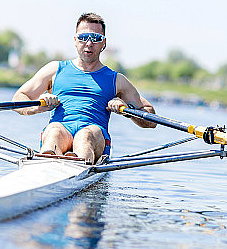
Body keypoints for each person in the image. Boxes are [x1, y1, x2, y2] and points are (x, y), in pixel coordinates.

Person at [13, 12, 156, 164]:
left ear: (104, 43)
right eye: (83, 37)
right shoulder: (54, 70)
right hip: (61, 131)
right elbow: (19, 97)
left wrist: (128, 111)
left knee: (84, 135)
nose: (89, 43)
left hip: (94, 135)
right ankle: (46, 165)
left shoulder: (117, 80)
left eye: (95, 38)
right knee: (54, 130)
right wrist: (37, 107)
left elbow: (151, 118)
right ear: (75, 40)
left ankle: (74, 165)